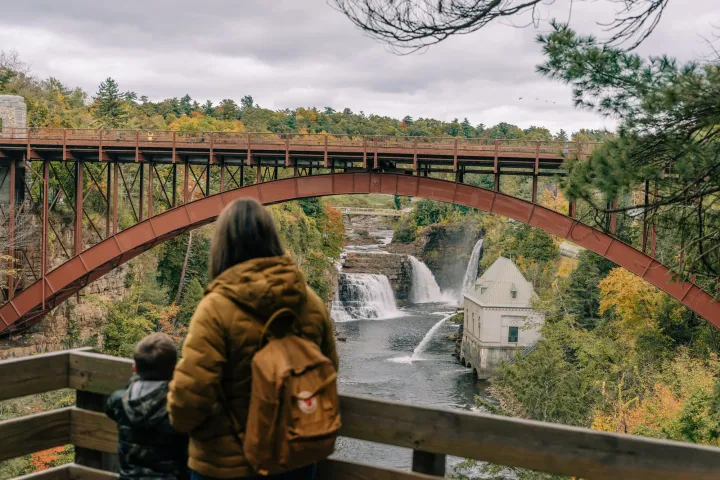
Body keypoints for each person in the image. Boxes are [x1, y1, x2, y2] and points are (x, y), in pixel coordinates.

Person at [168, 198, 338, 480]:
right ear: (273, 238)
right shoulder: (310, 302)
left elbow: (190, 397)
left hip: (227, 465)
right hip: (294, 457)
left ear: (222, 246)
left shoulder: (216, 309)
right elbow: (328, 370)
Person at [105, 333, 189, 480]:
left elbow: (110, 410)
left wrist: (133, 381)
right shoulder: (178, 406)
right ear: (174, 369)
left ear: (134, 369)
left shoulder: (118, 401)